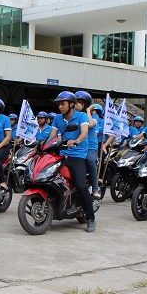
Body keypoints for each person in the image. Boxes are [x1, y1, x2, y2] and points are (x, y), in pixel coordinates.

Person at [48, 91, 96, 232]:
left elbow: (84, 133)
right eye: (59, 104)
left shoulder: (81, 116)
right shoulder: (57, 118)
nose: (60, 107)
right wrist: (41, 144)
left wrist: (76, 141)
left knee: (81, 185)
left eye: (63, 104)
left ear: (72, 104)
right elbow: (52, 136)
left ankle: (91, 218)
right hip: (61, 155)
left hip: (77, 155)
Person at [75, 91, 100, 199]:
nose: (75, 105)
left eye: (78, 102)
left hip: (90, 146)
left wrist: (89, 111)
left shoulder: (94, 116)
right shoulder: (75, 115)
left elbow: (91, 124)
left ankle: (95, 188)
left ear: (85, 104)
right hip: (78, 145)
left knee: (90, 160)